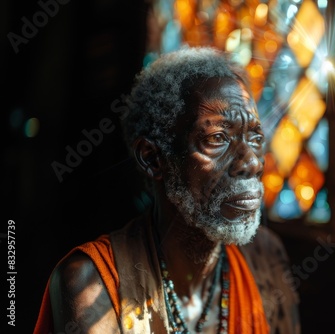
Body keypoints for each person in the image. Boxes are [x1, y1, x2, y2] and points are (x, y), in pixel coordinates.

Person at [34, 46, 301, 334]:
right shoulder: (92, 283)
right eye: (218, 138)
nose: (250, 161)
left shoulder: (266, 257)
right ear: (152, 159)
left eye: (255, 136)